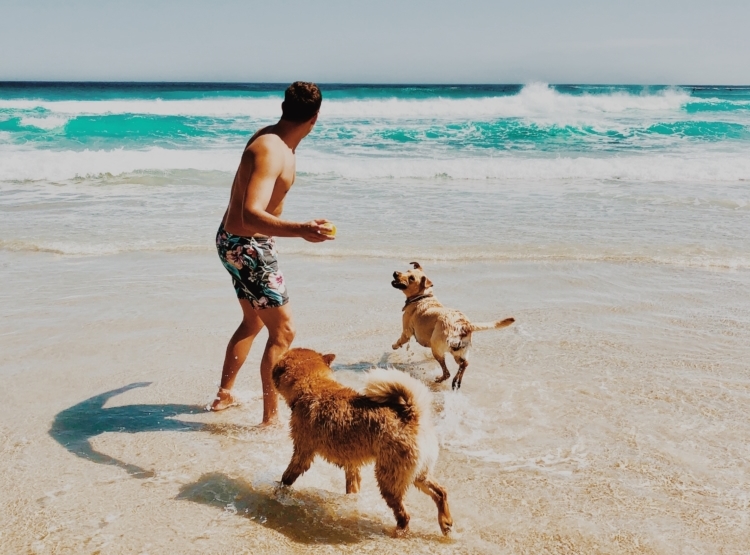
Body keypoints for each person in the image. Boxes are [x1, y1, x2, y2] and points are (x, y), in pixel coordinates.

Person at [212, 81, 333, 424]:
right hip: (247, 245)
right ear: (315, 117)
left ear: (284, 107)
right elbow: (251, 213)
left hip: (234, 242)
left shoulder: (272, 139)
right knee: (283, 332)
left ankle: (224, 395)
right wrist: (301, 230)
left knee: (253, 321)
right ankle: (271, 419)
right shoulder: (272, 150)